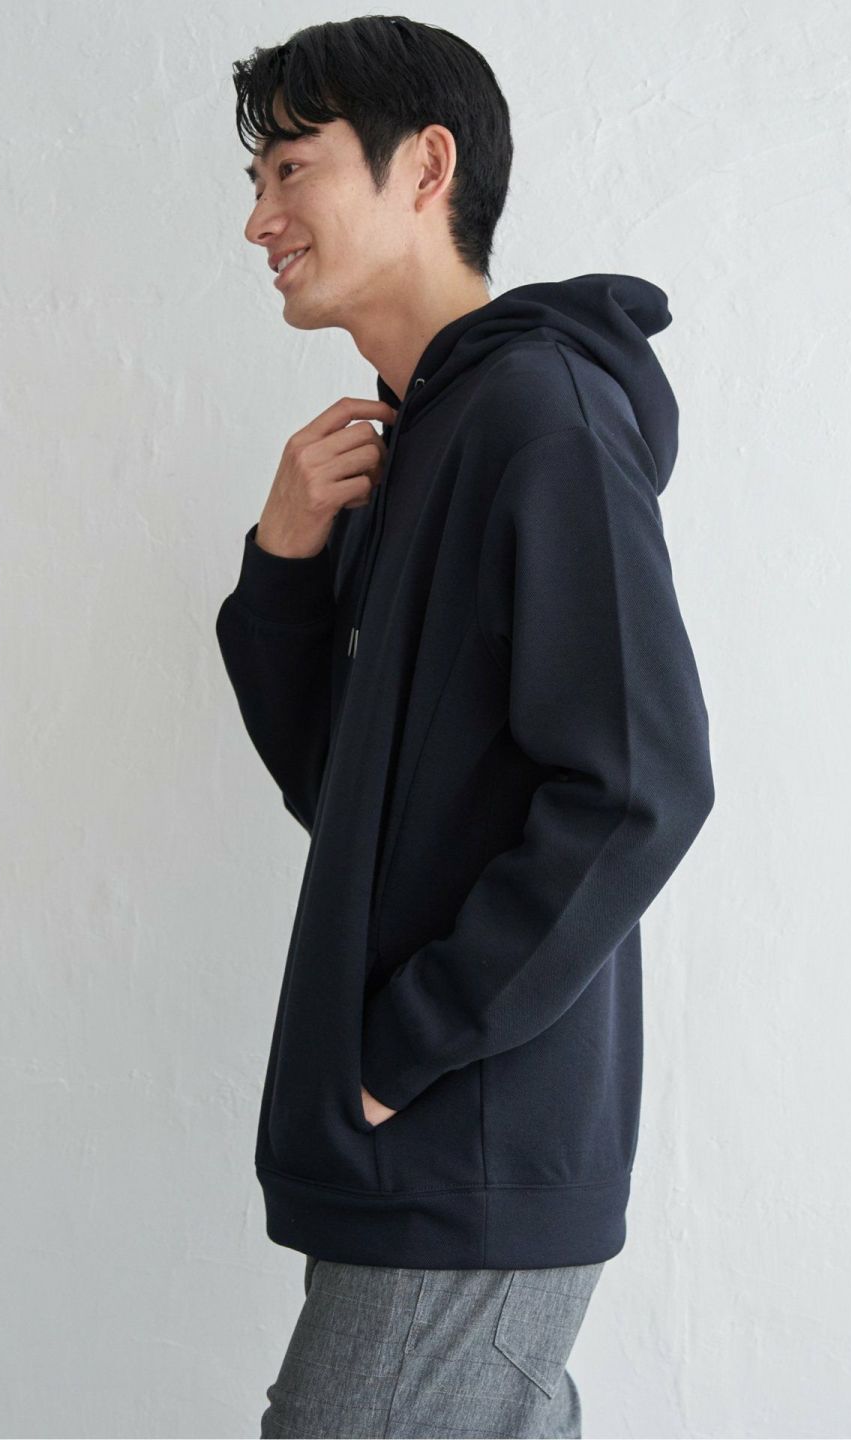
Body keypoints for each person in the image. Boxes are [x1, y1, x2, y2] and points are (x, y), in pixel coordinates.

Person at [215, 17, 715, 1438]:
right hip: (427, 1150)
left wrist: (403, 1051)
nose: (259, 220)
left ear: (426, 167)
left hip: (469, 1144)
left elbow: (639, 787)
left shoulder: (542, 417)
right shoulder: (418, 439)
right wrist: (287, 564)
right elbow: (353, 797)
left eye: (292, 167)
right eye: (255, 180)